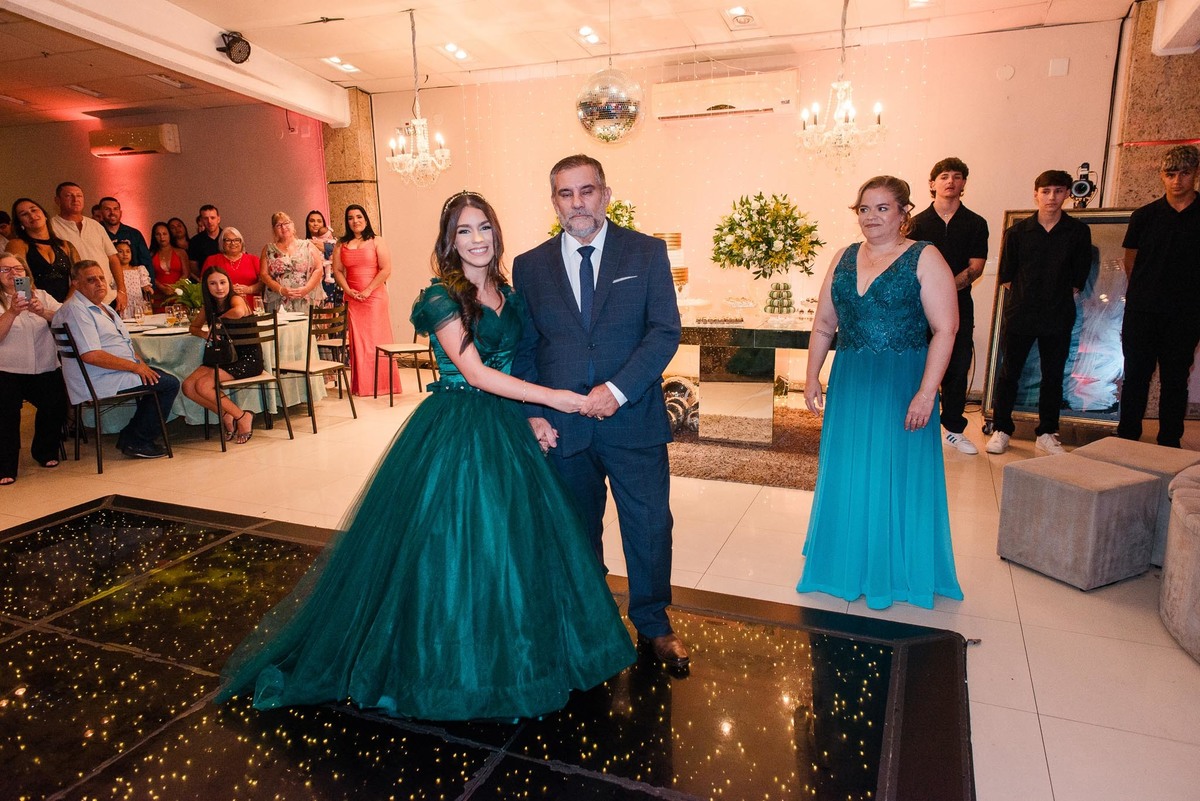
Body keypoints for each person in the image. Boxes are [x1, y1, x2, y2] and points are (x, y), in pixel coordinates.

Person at [216, 191, 634, 721]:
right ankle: (447, 670)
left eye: (484, 227)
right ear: (449, 241)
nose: (477, 239)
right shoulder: (441, 298)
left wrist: (530, 414)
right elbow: (476, 373)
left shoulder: (509, 293)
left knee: (514, 544)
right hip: (457, 427)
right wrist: (557, 399)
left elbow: (517, 362)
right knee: (454, 545)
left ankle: (525, 656)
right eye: (464, 230)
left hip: (505, 424)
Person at [511, 154, 687, 670]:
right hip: (562, 426)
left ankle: (653, 623)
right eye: (565, 194)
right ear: (554, 202)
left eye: (586, 191)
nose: (577, 203)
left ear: (605, 195)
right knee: (576, 528)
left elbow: (664, 331)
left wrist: (618, 389)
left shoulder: (646, 252)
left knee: (649, 525)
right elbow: (526, 347)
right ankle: (591, 617)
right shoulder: (530, 265)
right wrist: (533, 410)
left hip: (633, 419)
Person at [796, 175, 963, 610]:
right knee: (849, 466)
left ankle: (891, 568)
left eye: (883, 208)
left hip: (901, 383)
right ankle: (846, 559)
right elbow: (824, 324)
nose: (871, 217)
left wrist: (926, 393)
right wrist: (812, 376)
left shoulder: (925, 257)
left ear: (904, 212)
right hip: (851, 380)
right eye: (864, 209)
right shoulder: (843, 256)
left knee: (893, 471)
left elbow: (946, 329)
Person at [986, 170, 1092, 456]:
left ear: (1067, 194)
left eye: (1058, 191)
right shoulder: (1018, 232)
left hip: (1058, 314)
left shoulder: (1078, 232)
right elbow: (1007, 277)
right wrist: (1029, 296)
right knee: (1009, 373)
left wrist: (1052, 297)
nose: (1051, 197)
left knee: (1053, 375)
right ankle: (1001, 428)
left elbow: (1078, 280)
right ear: (1036, 194)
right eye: (1045, 191)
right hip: (1021, 313)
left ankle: (1046, 432)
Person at [52, 260, 179, 459]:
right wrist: (135, 368)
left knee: (160, 375)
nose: (99, 283)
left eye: (101, 278)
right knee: (169, 384)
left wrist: (141, 365)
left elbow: (125, 344)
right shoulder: (77, 310)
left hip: (114, 372)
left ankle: (131, 436)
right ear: (75, 283)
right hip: (98, 378)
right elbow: (91, 354)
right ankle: (138, 441)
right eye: (91, 280)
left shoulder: (104, 307)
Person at [1117, 145, 1200, 448]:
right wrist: (1146, 293)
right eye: (1171, 174)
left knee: (1175, 379)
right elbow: (1131, 262)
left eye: (1184, 173)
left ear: (1195, 174)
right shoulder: (1144, 216)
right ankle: (1127, 436)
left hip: (1186, 313)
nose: (1177, 181)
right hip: (1142, 311)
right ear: (1162, 176)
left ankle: (1169, 441)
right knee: (1135, 376)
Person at [909, 157, 989, 455]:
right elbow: (907, 265)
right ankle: (916, 423)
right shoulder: (916, 223)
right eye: (943, 176)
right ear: (932, 183)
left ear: (964, 183)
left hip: (959, 305)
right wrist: (929, 294)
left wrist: (942, 291)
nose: (950, 181)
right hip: (917, 307)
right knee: (917, 362)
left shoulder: (976, 223)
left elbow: (976, 267)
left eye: (957, 176)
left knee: (957, 366)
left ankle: (953, 430)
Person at [0, 253, 68, 485]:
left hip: (44, 365)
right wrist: (11, 312)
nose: (13, 273)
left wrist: (43, 312)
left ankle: (45, 451)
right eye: (5, 270)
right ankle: (5, 466)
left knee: (55, 405)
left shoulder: (42, 295)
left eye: (18, 269)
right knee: (6, 415)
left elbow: (67, 319)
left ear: (26, 273)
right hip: (7, 368)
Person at [183, 266, 262, 444]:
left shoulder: (235, 299)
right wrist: (206, 334)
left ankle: (242, 416)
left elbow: (239, 312)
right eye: (213, 283)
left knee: (203, 385)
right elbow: (193, 327)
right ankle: (227, 414)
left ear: (229, 283)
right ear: (206, 286)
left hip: (247, 359)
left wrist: (218, 321)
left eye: (222, 282)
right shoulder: (209, 306)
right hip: (223, 357)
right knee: (188, 386)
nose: (219, 287)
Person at [331, 204, 398, 396]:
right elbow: (337, 270)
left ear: (366, 219)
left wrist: (368, 290)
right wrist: (348, 290)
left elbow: (386, 269)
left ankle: (384, 385)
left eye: (359, 217)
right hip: (352, 298)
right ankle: (363, 385)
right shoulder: (341, 244)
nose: (355, 221)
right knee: (359, 343)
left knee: (376, 339)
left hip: (374, 296)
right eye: (351, 218)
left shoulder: (377, 241)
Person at [50, 182, 126, 312]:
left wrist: (122, 290)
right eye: (69, 196)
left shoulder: (95, 225)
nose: (75, 199)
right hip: (76, 301)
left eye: (79, 196)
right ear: (57, 200)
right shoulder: (51, 227)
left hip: (106, 298)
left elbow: (113, 258)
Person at [6, 198, 79, 302]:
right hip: (34, 305)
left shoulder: (66, 245)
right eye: (24, 214)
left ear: (44, 215)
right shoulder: (17, 244)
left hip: (67, 305)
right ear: (20, 223)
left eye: (34, 210)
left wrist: (67, 304)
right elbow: (18, 279)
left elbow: (81, 276)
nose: (32, 215)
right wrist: (37, 305)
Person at [259, 212, 324, 313]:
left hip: (304, 298)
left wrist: (306, 289)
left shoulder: (307, 245)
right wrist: (280, 289)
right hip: (278, 300)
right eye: (279, 225)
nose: (283, 227)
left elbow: (318, 269)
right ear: (274, 230)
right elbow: (264, 274)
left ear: (293, 225)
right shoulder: (268, 249)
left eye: (286, 223)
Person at [202, 227, 261, 308]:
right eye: (228, 240)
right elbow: (203, 285)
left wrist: (249, 289)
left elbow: (263, 283)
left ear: (241, 242)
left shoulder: (253, 259)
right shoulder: (212, 260)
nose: (233, 243)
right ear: (222, 243)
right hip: (222, 306)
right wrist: (227, 289)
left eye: (236, 240)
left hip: (252, 306)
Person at [98, 196, 152, 276]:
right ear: (100, 213)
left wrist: (149, 282)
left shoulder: (134, 234)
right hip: (106, 280)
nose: (112, 212)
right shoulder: (95, 233)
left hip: (134, 281)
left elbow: (146, 262)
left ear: (120, 212)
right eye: (107, 209)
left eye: (115, 209)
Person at [148, 221, 191, 312]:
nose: (162, 237)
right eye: (158, 234)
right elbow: (149, 275)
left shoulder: (181, 252)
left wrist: (175, 288)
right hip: (159, 297)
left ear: (170, 235)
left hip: (179, 295)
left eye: (164, 234)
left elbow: (186, 274)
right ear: (154, 237)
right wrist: (162, 288)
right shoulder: (151, 255)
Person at [305, 210, 341, 306]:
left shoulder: (333, 242)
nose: (315, 224)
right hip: (312, 282)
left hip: (331, 281)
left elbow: (340, 257)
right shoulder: (303, 244)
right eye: (312, 221)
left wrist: (325, 247)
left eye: (319, 221)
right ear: (307, 224)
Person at [114, 241, 151, 320]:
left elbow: (145, 284)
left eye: (128, 251)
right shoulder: (113, 273)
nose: (125, 254)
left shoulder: (139, 269)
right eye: (120, 252)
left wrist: (147, 288)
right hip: (123, 306)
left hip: (138, 305)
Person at [188, 205, 223, 272]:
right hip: (205, 277)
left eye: (212, 218)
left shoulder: (228, 238)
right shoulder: (195, 241)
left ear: (218, 219)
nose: (209, 221)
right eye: (205, 218)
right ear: (201, 220)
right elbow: (193, 266)